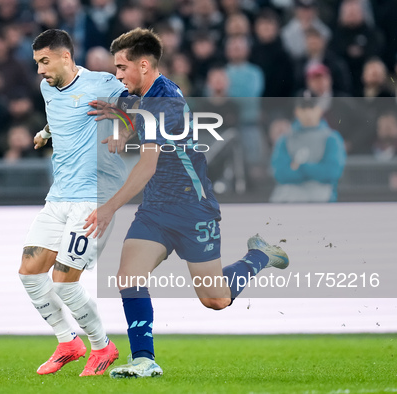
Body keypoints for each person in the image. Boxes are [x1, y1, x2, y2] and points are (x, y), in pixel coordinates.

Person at [83, 28, 289, 378]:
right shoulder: (141, 92)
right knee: (129, 277)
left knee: (216, 300)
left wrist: (109, 207)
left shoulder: (164, 101)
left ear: (144, 65)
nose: (117, 75)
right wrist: (121, 128)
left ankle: (260, 255)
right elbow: (131, 112)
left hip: (192, 206)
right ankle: (144, 359)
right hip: (156, 208)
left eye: (121, 67)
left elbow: (147, 165)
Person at [18, 29, 127, 377]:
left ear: (66, 57)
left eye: (44, 62)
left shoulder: (103, 83)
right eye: (37, 63)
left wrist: (124, 124)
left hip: (94, 196)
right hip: (59, 195)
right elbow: (62, 113)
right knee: (30, 272)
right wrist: (46, 132)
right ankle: (68, 342)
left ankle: (102, 346)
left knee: (65, 281)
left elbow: (144, 104)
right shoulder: (47, 88)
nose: (39, 71)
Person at [270, 93, 346, 203]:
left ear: (319, 110)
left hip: (321, 197)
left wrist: (300, 166)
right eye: (303, 108)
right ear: (297, 112)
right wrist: (315, 169)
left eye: (312, 108)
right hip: (289, 197)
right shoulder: (285, 139)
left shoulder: (331, 138)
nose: (308, 113)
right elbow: (281, 174)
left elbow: (332, 172)